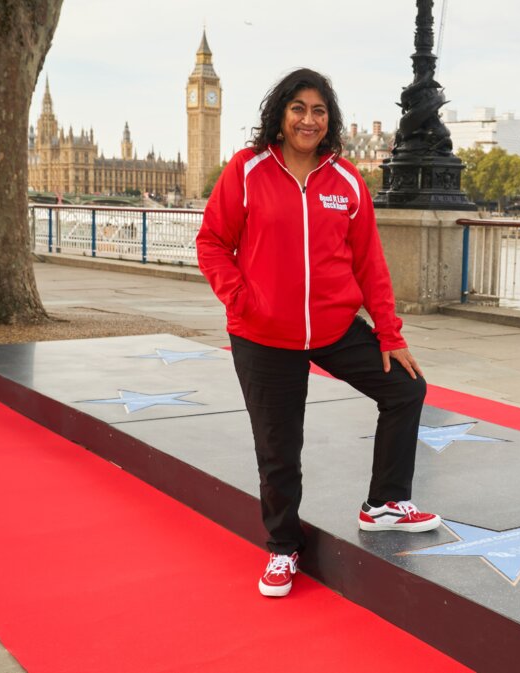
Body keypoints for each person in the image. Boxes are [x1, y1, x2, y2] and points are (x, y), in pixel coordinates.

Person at [196, 68, 440, 598]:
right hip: (263, 334)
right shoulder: (247, 170)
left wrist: (389, 335)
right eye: (299, 109)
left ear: (329, 120)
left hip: (332, 327)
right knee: (280, 446)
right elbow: (212, 242)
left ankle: (383, 505)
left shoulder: (347, 181)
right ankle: (283, 549)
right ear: (280, 116)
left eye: (319, 111)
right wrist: (241, 300)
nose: (309, 119)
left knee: (405, 388)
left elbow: (370, 263)